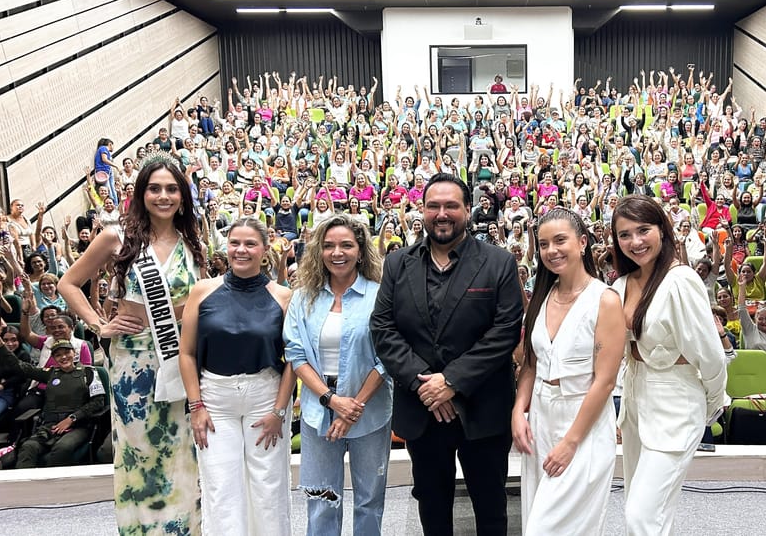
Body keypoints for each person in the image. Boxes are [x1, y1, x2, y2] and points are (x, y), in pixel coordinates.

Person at [371, 173, 524, 536]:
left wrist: (452, 382)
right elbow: (382, 328)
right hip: (423, 409)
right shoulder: (397, 264)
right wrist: (427, 384)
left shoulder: (498, 262)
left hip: (482, 409)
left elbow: (504, 332)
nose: (442, 213)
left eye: (451, 205)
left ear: (468, 211)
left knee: (490, 508)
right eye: (434, 206)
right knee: (433, 508)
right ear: (421, 211)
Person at [58, 157, 205, 533]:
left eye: (172, 189)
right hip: (133, 367)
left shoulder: (192, 240)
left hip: (179, 360)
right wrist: (98, 324)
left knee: (181, 453)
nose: (163, 196)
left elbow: (199, 300)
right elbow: (68, 284)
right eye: (154, 188)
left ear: (183, 196)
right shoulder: (115, 236)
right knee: (141, 455)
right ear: (141, 194)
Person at [609, 194, 728, 535]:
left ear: (662, 229)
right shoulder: (620, 285)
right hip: (635, 403)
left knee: (641, 515)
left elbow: (711, 355)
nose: (635, 241)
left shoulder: (681, 280)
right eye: (624, 234)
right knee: (647, 510)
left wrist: (709, 406)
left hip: (677, 404)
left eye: (643, 230)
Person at [178, 217, 294, 535]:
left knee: (268, 487)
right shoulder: (202, 291)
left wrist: (279, 411)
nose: (241, 250)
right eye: (234, 243)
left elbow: (294, 361)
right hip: (214, 397)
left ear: (265, 248)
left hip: (265, 397)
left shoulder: (284, 297)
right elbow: (186, 353)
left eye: (250, 243)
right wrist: (196, 406)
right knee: (220, 487)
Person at [512, 208, 624, 535]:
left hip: (583, 422)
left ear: (583, 242)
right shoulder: (542, 298)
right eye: (544, 244)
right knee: (535, 517)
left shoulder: (605, 299)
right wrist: (519, 410)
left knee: (550, 528)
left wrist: (571, 442)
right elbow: (531, 363)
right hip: (541, 419)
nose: (552, 250)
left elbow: (604, 382)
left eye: (560, 240)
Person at [284, 215, 393, 535]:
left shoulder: (379, 295)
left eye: (347, 245)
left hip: (369, 411)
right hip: (319, 411)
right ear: (319, 251)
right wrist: (332, 401)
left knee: (369, 500)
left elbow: (385, 357)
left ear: (361, 251)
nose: (337, 252)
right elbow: (296, 354)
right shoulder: (303, 297)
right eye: (328, 245)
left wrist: (352, 407)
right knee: (321, 499)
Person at [0, 339, 106, 468]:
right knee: (28, 447)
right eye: (58, 355)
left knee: (62, 448)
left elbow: (98, 401)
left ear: (74, 353)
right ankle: (25, 486)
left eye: (67, 352)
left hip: (78, 426)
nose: (64, 357)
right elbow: (19, 367)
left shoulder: (89, 372)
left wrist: (72, 418)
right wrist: (1, 347)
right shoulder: (50, 373)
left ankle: (52, 487)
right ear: (54, 358)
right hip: (50, 426)